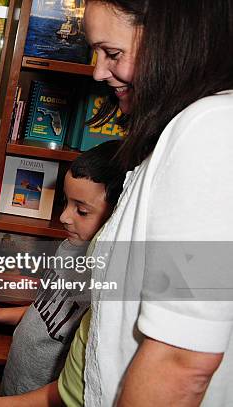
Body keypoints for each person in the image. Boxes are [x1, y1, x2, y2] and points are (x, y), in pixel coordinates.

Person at [81, 0, 233, 406]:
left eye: (112, 53)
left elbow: (181, 360)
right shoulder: (184, 130)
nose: (98, 71)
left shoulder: (210, 129)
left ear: (173, 39)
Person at [0, 140, 125, 405]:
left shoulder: (104, 282)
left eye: (81, 210)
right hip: (16, 383)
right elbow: (46, 310)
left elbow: (75, 385)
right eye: (66, 203)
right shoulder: (69, 248)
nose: (64, 217)